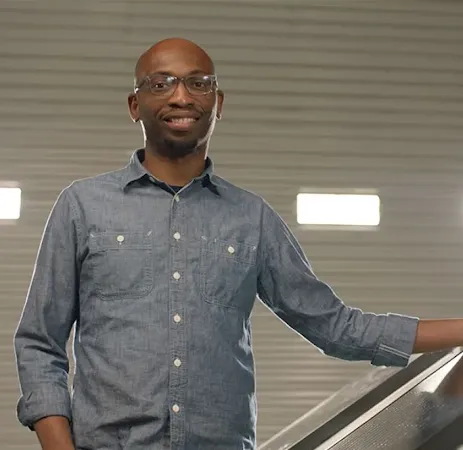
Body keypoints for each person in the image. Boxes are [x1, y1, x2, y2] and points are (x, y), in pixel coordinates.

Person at [13, 37, 463, 450]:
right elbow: (39, 343)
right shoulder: (81, 207)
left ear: (218, 103)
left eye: (198, 83)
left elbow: (336, 327)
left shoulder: (253, 218)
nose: (181, 96)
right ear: (135, 104)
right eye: (161, 83)